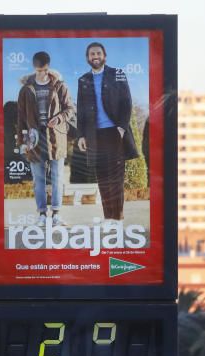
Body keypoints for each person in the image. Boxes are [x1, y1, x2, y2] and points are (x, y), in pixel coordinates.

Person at [76, 42, 140, 223]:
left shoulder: (117, 74)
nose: (95, 56)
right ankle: (108, 218)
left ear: (104, 56)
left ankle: (117, 217)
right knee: (103, 179)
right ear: (88, 58)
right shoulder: (83, 80)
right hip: (94, 136)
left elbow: (127, 102)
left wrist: (121, 127)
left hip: (114, 133)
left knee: (116, 178)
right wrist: (81, 135)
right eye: (91, 54)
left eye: (98, 53)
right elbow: (80, 110)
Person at [16, 51, 75, 226]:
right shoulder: (26, 89)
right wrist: (22, 142)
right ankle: (42, 214)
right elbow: (20, 118)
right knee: (38, 179)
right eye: (38, 70)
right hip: (34, 139)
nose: (42, 74)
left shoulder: (60, 86)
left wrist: (59, 118)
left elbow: (70, 109)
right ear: (34, 68)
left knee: (57, 177)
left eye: (45, 70)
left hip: (56, 137)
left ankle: (56, 214)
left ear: (48, 67)